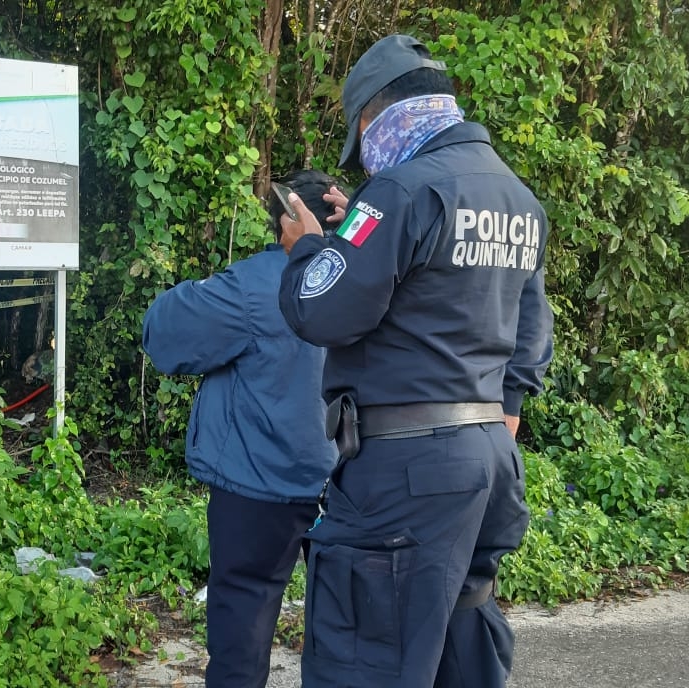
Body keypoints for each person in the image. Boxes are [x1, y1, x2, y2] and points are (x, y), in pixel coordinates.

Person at [274, 35, 554, 687]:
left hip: (404, 474)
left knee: (365, 656)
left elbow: (320, 310)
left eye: (362, 136)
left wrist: (308, 247)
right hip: (487, 464)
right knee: (458, 644)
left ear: (375, 115)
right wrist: (485, 437)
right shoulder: (518, 200)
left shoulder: (401, 192)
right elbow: (529, 345)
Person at [141, 170, 343, 688]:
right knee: (348, 636)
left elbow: (162, 333)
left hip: (260, 487)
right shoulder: (369, 277)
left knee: (240, 639)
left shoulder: (258, 283)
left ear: (284, 217)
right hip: (351, 483)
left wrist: (203, 286)